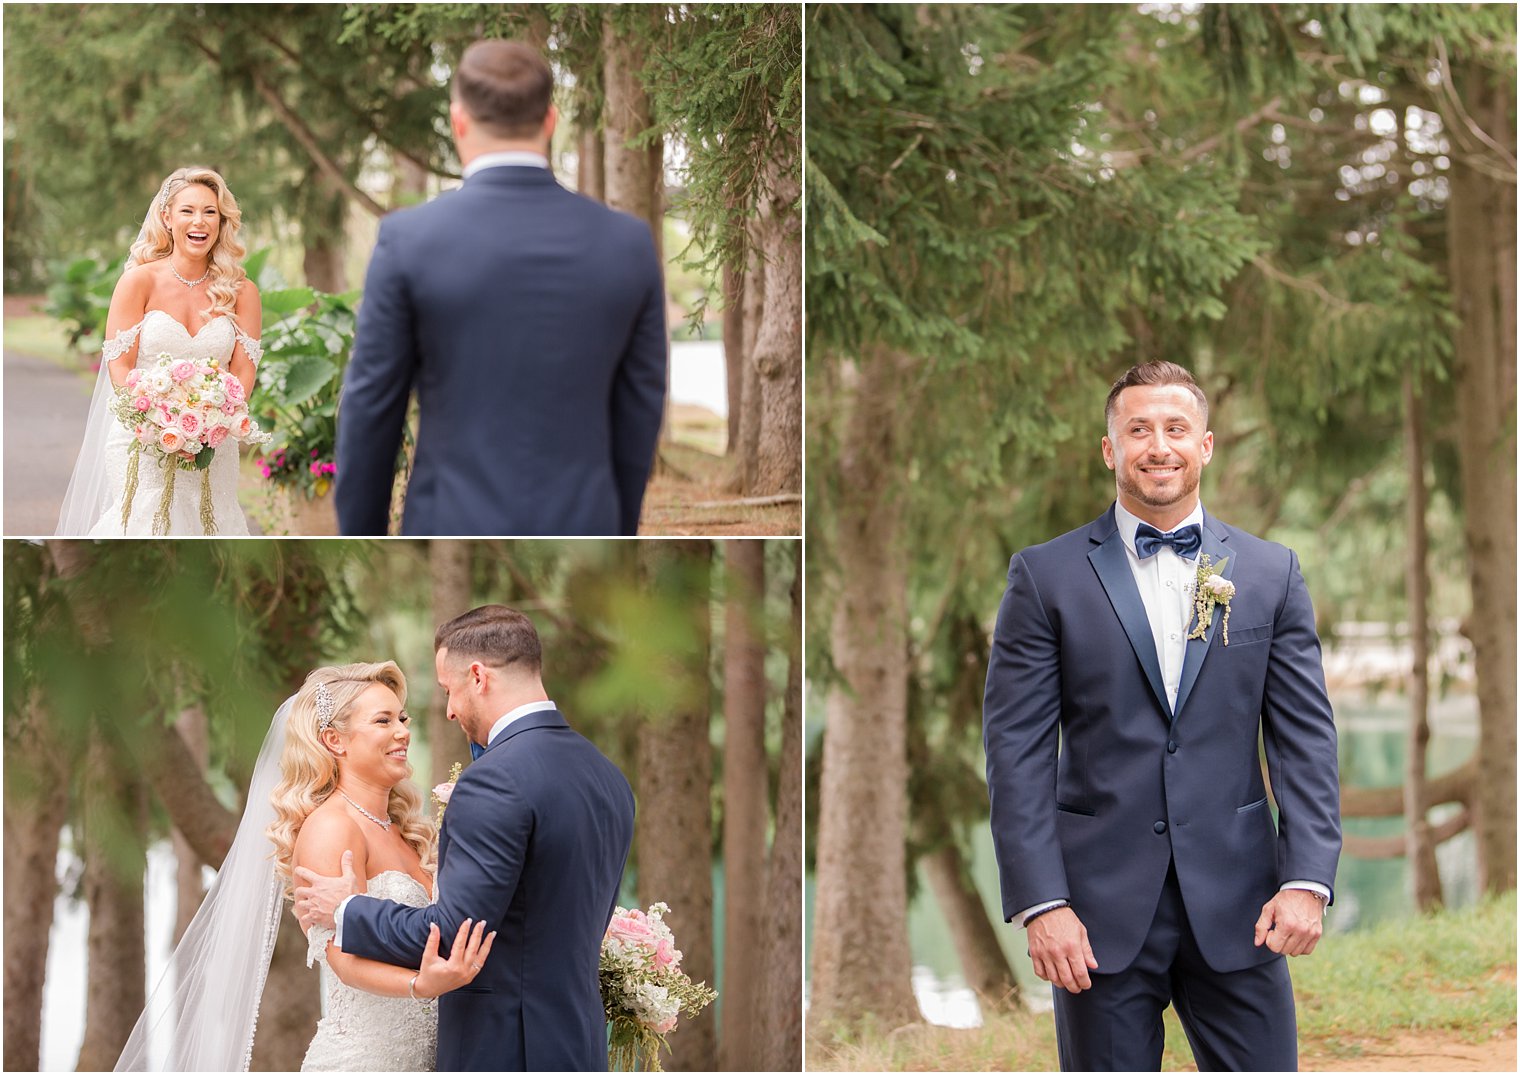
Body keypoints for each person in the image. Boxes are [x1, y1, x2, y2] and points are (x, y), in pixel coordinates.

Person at [982, 361, 1342, 1072]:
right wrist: (1041, 900)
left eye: (1176, 428)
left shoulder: (1272, 574)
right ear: (1110, 449)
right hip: (1095, 912)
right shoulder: (1044, 577)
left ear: (1205, 444)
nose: (1159, 445)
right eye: (1137, 428)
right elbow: (1015, 753)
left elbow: (1305, 741)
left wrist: (1306, 878)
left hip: (1243, 907)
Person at [335, 39, 667, 537]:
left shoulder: (409, 240)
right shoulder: (627, 244)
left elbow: (371, 410)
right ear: (551, 121)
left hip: (447, 513)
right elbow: (640, 408)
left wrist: (361, 532)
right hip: (586, 518)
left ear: (459, 120)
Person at [294, 606, 636, 1072]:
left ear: (477, 676)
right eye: (384, 721)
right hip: (571, 1044)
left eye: (448, 692)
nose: (448, 710)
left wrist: (349, 908)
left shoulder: (492, 781)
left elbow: (457, 932)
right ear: (334, 740)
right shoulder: (607, 776)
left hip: (505, 1048)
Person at [114, 662, 491, 1072]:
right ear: (334, 739)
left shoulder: (403, 830)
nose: (402, 731)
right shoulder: (331, 827)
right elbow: (343, 961)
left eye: (401, 718)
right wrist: (422, 985)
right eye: (383, 721)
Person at [57, 166, 263, 536]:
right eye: (187, 211)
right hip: (143, 443)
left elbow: (244, 373)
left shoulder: (242, 291)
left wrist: (207, 428)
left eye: (210, 212)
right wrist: (160, 425)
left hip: (213, 448)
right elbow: (120, 367)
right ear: (167, 217)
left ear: (221, 221)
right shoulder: (138, 281)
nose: (199, 222)